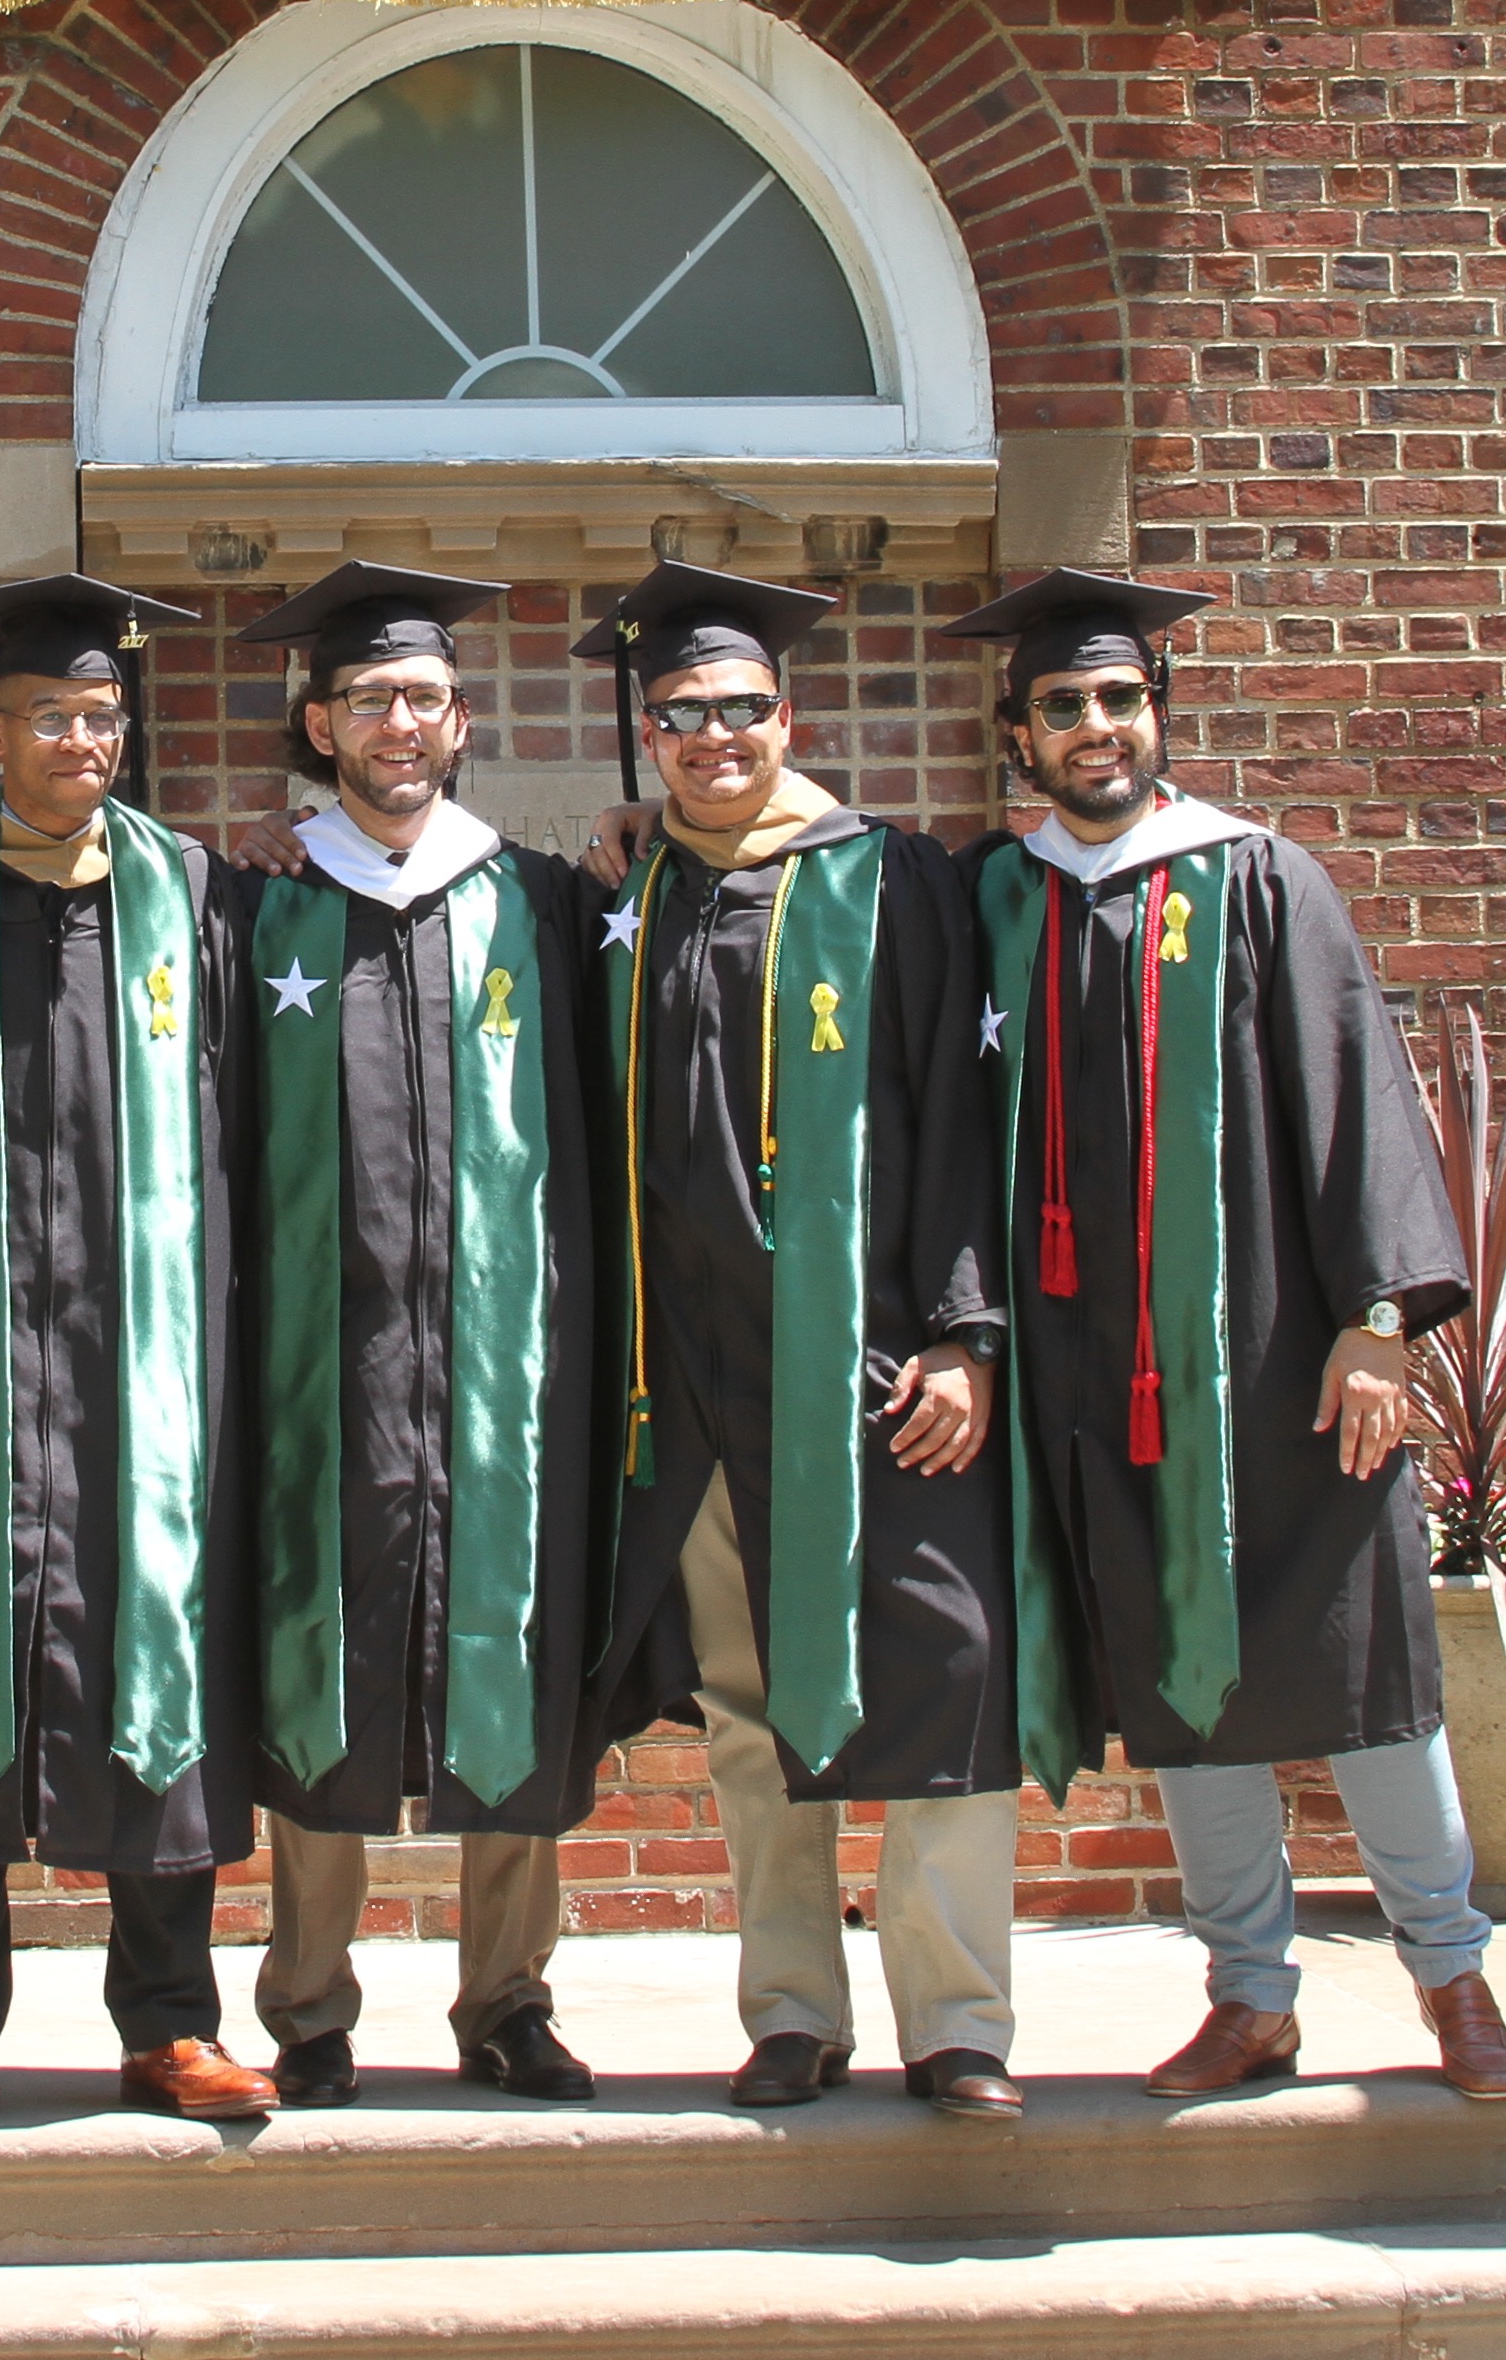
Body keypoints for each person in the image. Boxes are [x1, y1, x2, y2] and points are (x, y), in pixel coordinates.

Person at [942, 568, 1506, 2106]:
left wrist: (1382, 1322)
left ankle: (1453, 1976)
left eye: (1118, 699)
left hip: (1278, 1365)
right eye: (1062, 705)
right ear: (1020, 732)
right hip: (1092, 1382)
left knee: (1361, 1671)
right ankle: (1251, 1995)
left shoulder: (1263, 880)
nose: (1094, 727)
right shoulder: (995, 903)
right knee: (1183, 1677)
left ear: (1158, 712)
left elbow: (1352, 1102)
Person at [0, 570, 280, 2127]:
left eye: (100, 716)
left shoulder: (195, 896)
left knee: (153, 1650)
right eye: (47, 717)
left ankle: (168, 2024)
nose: (79, 740)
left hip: (138, 1362)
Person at [578, 558, 1028, 2122]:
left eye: (742, 708)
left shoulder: (897, 883)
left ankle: (960, 2022)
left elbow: (964, 1120)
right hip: (698, 1383)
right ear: (649, 731)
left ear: (793, 713)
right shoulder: (629, 903)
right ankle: (793, 2013)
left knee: (944, 1678)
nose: (715, 736)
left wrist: (967, 1334)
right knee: (749, 1708)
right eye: (683, 713)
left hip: (882, 1372)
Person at [227, 562, 613, 2110]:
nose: (400, 722)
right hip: (315, 1367)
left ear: (463, 724)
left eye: (426, 698)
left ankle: (507, 2001)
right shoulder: (254, 904)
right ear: (317, 722)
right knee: (318, 1653)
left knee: (510, 1650)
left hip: (508, 1365)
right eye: (369, 697)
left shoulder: (548, 904)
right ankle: (310, 2011)